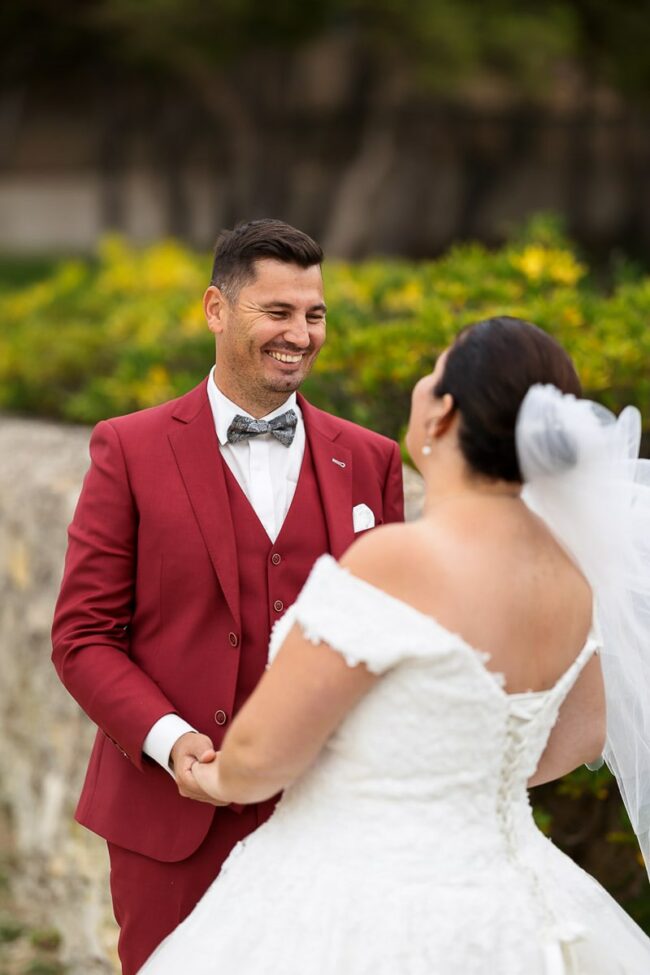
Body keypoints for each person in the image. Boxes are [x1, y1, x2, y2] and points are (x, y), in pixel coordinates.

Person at [138, 315, 650, 975]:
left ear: (443, 414)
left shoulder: (397, 560)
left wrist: (211, 776)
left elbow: (262, 755)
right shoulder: (573, 575)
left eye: (432, 373)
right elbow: (582, 733)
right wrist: (458, 782)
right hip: (521, 897)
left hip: (365, 892)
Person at [51, 219, 405, 975]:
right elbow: (83, 636)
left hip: (327, 814)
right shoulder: (129, 448)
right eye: (277, 312)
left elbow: (391, 635)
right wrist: (169, 739)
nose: (300, 335)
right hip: (173, 818)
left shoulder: (370, 459)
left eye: (314, 315)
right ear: (216, 309)